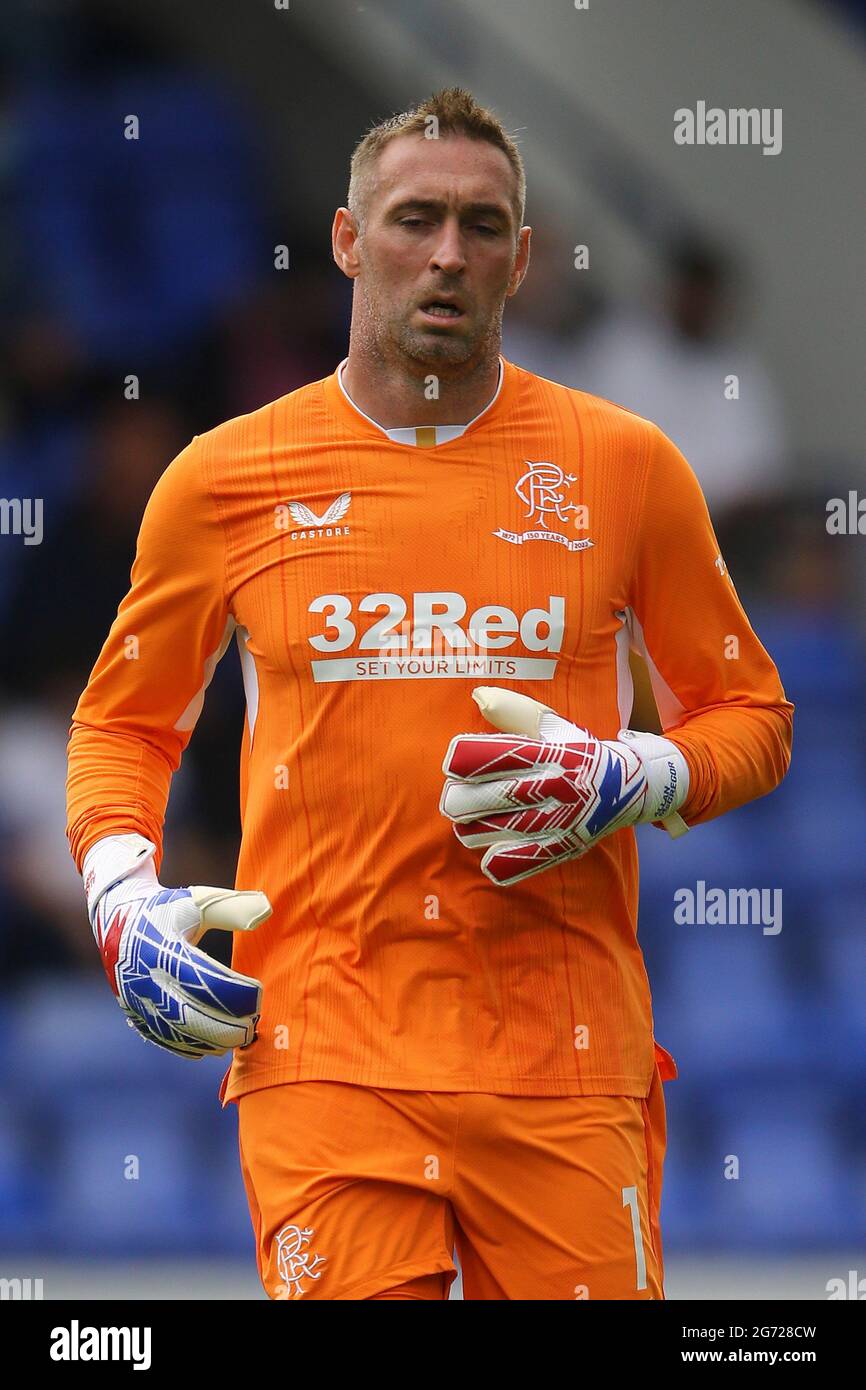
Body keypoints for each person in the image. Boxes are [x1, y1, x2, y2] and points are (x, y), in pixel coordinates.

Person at [66, 88, 793, 1301]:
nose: (448, 253)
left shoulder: (626, 466)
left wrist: (638, 772)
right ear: (349, 242)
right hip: (323, 1052)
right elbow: (124, 723)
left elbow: (752, 719)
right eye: (414, 219)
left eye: (482, 225)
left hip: (563, 1065)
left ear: (519, 257)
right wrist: (120, 897)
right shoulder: (224, 477)